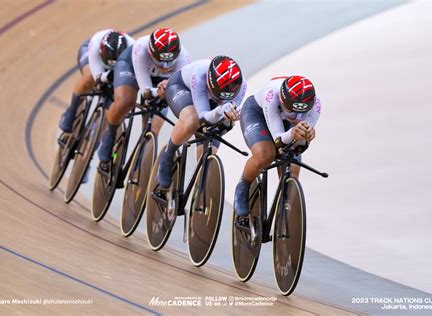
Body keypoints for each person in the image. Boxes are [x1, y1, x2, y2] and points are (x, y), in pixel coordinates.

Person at [97, 28, 190, 167]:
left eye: (169, 62)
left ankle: (141, 166)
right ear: (151, 52)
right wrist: (157, 92)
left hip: (160, 82)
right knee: (125, 101)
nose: (165, 66)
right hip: (132, 68)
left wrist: (167, 91)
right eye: (160, 61)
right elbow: (145, 90)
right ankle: (109, 135)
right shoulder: (141, 49)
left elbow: (180, 89)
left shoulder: (183, 58)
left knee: (153, 129)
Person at [234, 75, 321, 217]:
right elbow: (278, 139)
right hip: (258, 114)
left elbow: (299, 143)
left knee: (292, 166)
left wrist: (307, 136)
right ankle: (243, 187)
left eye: (302, 113)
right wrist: (293, 132)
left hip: (287, 126)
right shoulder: (271, 95)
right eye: (291, 110)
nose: (296, 116)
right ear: (282, 101)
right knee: (266, 154)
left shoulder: (316, 105)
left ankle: (285, 212)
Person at [156, 55, 247, 189]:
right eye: (217, 95)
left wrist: (229, 118)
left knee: (210, 151)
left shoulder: (242, 85)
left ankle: (199, 191)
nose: (220, 100)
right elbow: (203, 117)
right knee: (192, 120)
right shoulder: (199, 75)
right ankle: (167, 156)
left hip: (212, 102)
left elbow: (225, 121)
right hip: (182, 88)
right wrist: (220, 110)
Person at [58, 29, 135, 135]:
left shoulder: (133, 49)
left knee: (115, 103)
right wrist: (107, 76)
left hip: (119, 67)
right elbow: (97, 75)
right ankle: (72, 111)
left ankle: (94, 140)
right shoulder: (96, 43)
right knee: (89, 77)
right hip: (90, 56)